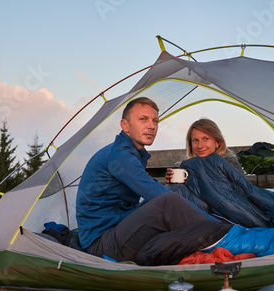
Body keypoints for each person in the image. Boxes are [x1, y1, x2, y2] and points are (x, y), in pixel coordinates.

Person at [76, 97, 233, 266]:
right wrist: (215, 225)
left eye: (155, 121)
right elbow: (156, 194)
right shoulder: (119, 155)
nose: (151, 126)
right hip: (103, 243)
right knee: (168, 201)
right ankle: (229, 235)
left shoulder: (131, 152)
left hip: (119, 228)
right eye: (143, 119)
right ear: (125, 126)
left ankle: (219, 231)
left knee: (174, 194)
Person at [165, 118, 274, 228]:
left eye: (205, 139)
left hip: (243, 210)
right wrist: (175, 181)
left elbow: (234, 196)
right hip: (208, 213)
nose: (200, 145)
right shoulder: (187, 168)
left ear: (217, 142)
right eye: (195, 140)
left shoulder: (228, 163)